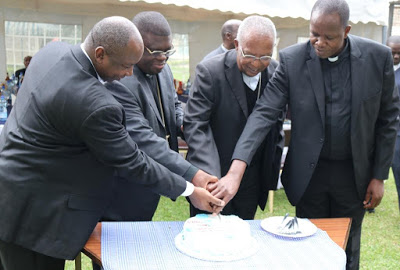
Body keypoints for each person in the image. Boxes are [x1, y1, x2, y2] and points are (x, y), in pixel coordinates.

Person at [0, 16, 224, 270]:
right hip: (34, 214)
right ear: (100, 54)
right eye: (126, 66)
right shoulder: (95, 103)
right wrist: (191, 191)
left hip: (12, 187)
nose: (129, 73)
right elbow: (134, 162)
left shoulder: (54, 51)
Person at [215, 1, 400, 269]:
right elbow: (264, 113)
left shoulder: (377, 57)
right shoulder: (293, 60)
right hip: (309, 176)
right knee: (308, 248)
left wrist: (379, 175)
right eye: (314, 34)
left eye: (329, 37)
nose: (319, 42)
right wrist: (237, 167)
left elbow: (387, 120)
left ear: (346, 30)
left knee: (347, 248)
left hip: (354, 175)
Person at [103, 12, 216, 222]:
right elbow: (143, 138)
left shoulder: (163, 69)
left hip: (155, 179)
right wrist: (194, 174)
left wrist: (188, 126)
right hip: (124, 187)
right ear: (135, 44)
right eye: (155, 51)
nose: (162, 57)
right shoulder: (120, 81)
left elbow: (173, 106)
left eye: (167, 51)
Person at [184, 15, 284, 220]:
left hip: (253, 177)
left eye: (264, 57)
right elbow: (196, 125)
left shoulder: (276, 72)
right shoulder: (210, 71)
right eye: (250, 55)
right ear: (237, 44)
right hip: (213, 173)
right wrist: (211, 179)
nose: (256, 64)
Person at [387, 35, 400, 213]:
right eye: (393, 53)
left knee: (398, 168)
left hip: (397, 131)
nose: (396, 57)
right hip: (375, 128)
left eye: (399, 53)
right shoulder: (379, 68)